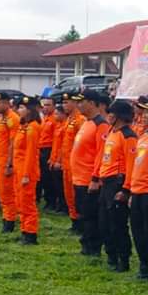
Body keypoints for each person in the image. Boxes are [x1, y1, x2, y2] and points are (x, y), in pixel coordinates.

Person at [98, 99, 137, 272]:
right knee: (104, 222)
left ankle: (123, 259)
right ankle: (111, 255)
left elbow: (131, 164)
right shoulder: (112, 132)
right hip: (106, 182)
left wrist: (125, 189)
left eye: (111, 113)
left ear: (119, 116)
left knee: (117, 224)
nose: (108, 116)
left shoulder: (128, 136)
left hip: (118, 183)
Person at [71, 90, 111, 257]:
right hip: (78, 177)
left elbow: (101, 154)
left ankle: (93, 247)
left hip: (89, 179)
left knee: (91, 215)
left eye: (82, 102)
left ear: (93, 103)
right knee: (83, 213)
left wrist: (95, 178)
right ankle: (86, 242)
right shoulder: (86, 122)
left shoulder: (100, 124)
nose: (78, 105)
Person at [13, 96, 42, 244]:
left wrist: (26, 175)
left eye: (22, 108)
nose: (19, 110)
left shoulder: (33, 128)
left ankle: (30, 233)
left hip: (27, 171)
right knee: (20, 202)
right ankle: (24, 230)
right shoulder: (24, 126)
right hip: (19, 169)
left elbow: (31, 153)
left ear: (30, 110)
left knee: (27, 203)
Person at [0, 92, 20, 232]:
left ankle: (9, 222)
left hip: (6, 162)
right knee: (2, 194)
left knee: (8, 194)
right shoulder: (1, 119)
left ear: (7, 103)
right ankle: (6, 218)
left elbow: (13, 142)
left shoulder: (12, 119)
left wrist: (9, 164)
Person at [58, 93, 85, 232]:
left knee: (76, 195)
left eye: (67, 102)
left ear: (75, 103)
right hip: (66, 163)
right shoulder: (69, 119)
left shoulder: (80, 120)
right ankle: (74, 220)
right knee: (68, 194)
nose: (64, 106)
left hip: (75, 165)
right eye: (63, 103)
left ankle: (80, 223)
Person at [129, 96, 148, 279]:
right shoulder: (142, 137)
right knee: (138, 231)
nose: (144, 115)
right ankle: (144, 266)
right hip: (137, 191)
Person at [38, 97, 58, 209]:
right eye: (44, 105)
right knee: (44, 178)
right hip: (41, 149)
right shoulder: (44, 119)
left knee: (50, 178)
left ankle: (52, 201)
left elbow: (56, 139)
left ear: (54, 106)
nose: (45, 107)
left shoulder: (55, 120)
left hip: (49, 149)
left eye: (48, 105)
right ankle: (48, 200)